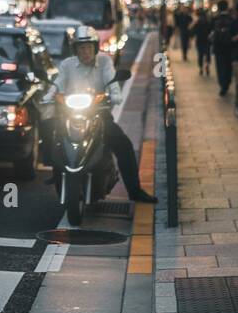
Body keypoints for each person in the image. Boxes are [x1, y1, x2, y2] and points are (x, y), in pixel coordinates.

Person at [44, 25, 156, 203]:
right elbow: (59, 82)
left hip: (98, 113)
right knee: (51, 132)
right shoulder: (67, 65)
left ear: (95, 48)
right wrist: (49, 94)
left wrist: (115, 94)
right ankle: (57, 170)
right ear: (76, 50)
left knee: (123, 144)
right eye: (81, 48)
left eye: (89, 47)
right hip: (70, 114)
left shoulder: (104, 61)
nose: (86, 51)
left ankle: (135, 191)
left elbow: (111, 80)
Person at [211, 0, 233, 96]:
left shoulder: (215, 19)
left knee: (220, 67)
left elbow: (211, 33)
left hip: (218, 47)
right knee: (228, 66)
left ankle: (222, 85)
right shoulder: (232, 19)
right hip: (229, 47)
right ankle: (227, 84)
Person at [191, 7, 212, 76]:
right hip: (207, 40)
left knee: (200, 55)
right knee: (207, 54)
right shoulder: (208, 22)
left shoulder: (198, 22)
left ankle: (201, 68)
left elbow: (192, 31)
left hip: (200, 40)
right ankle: (207, 66)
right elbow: (211, 31)